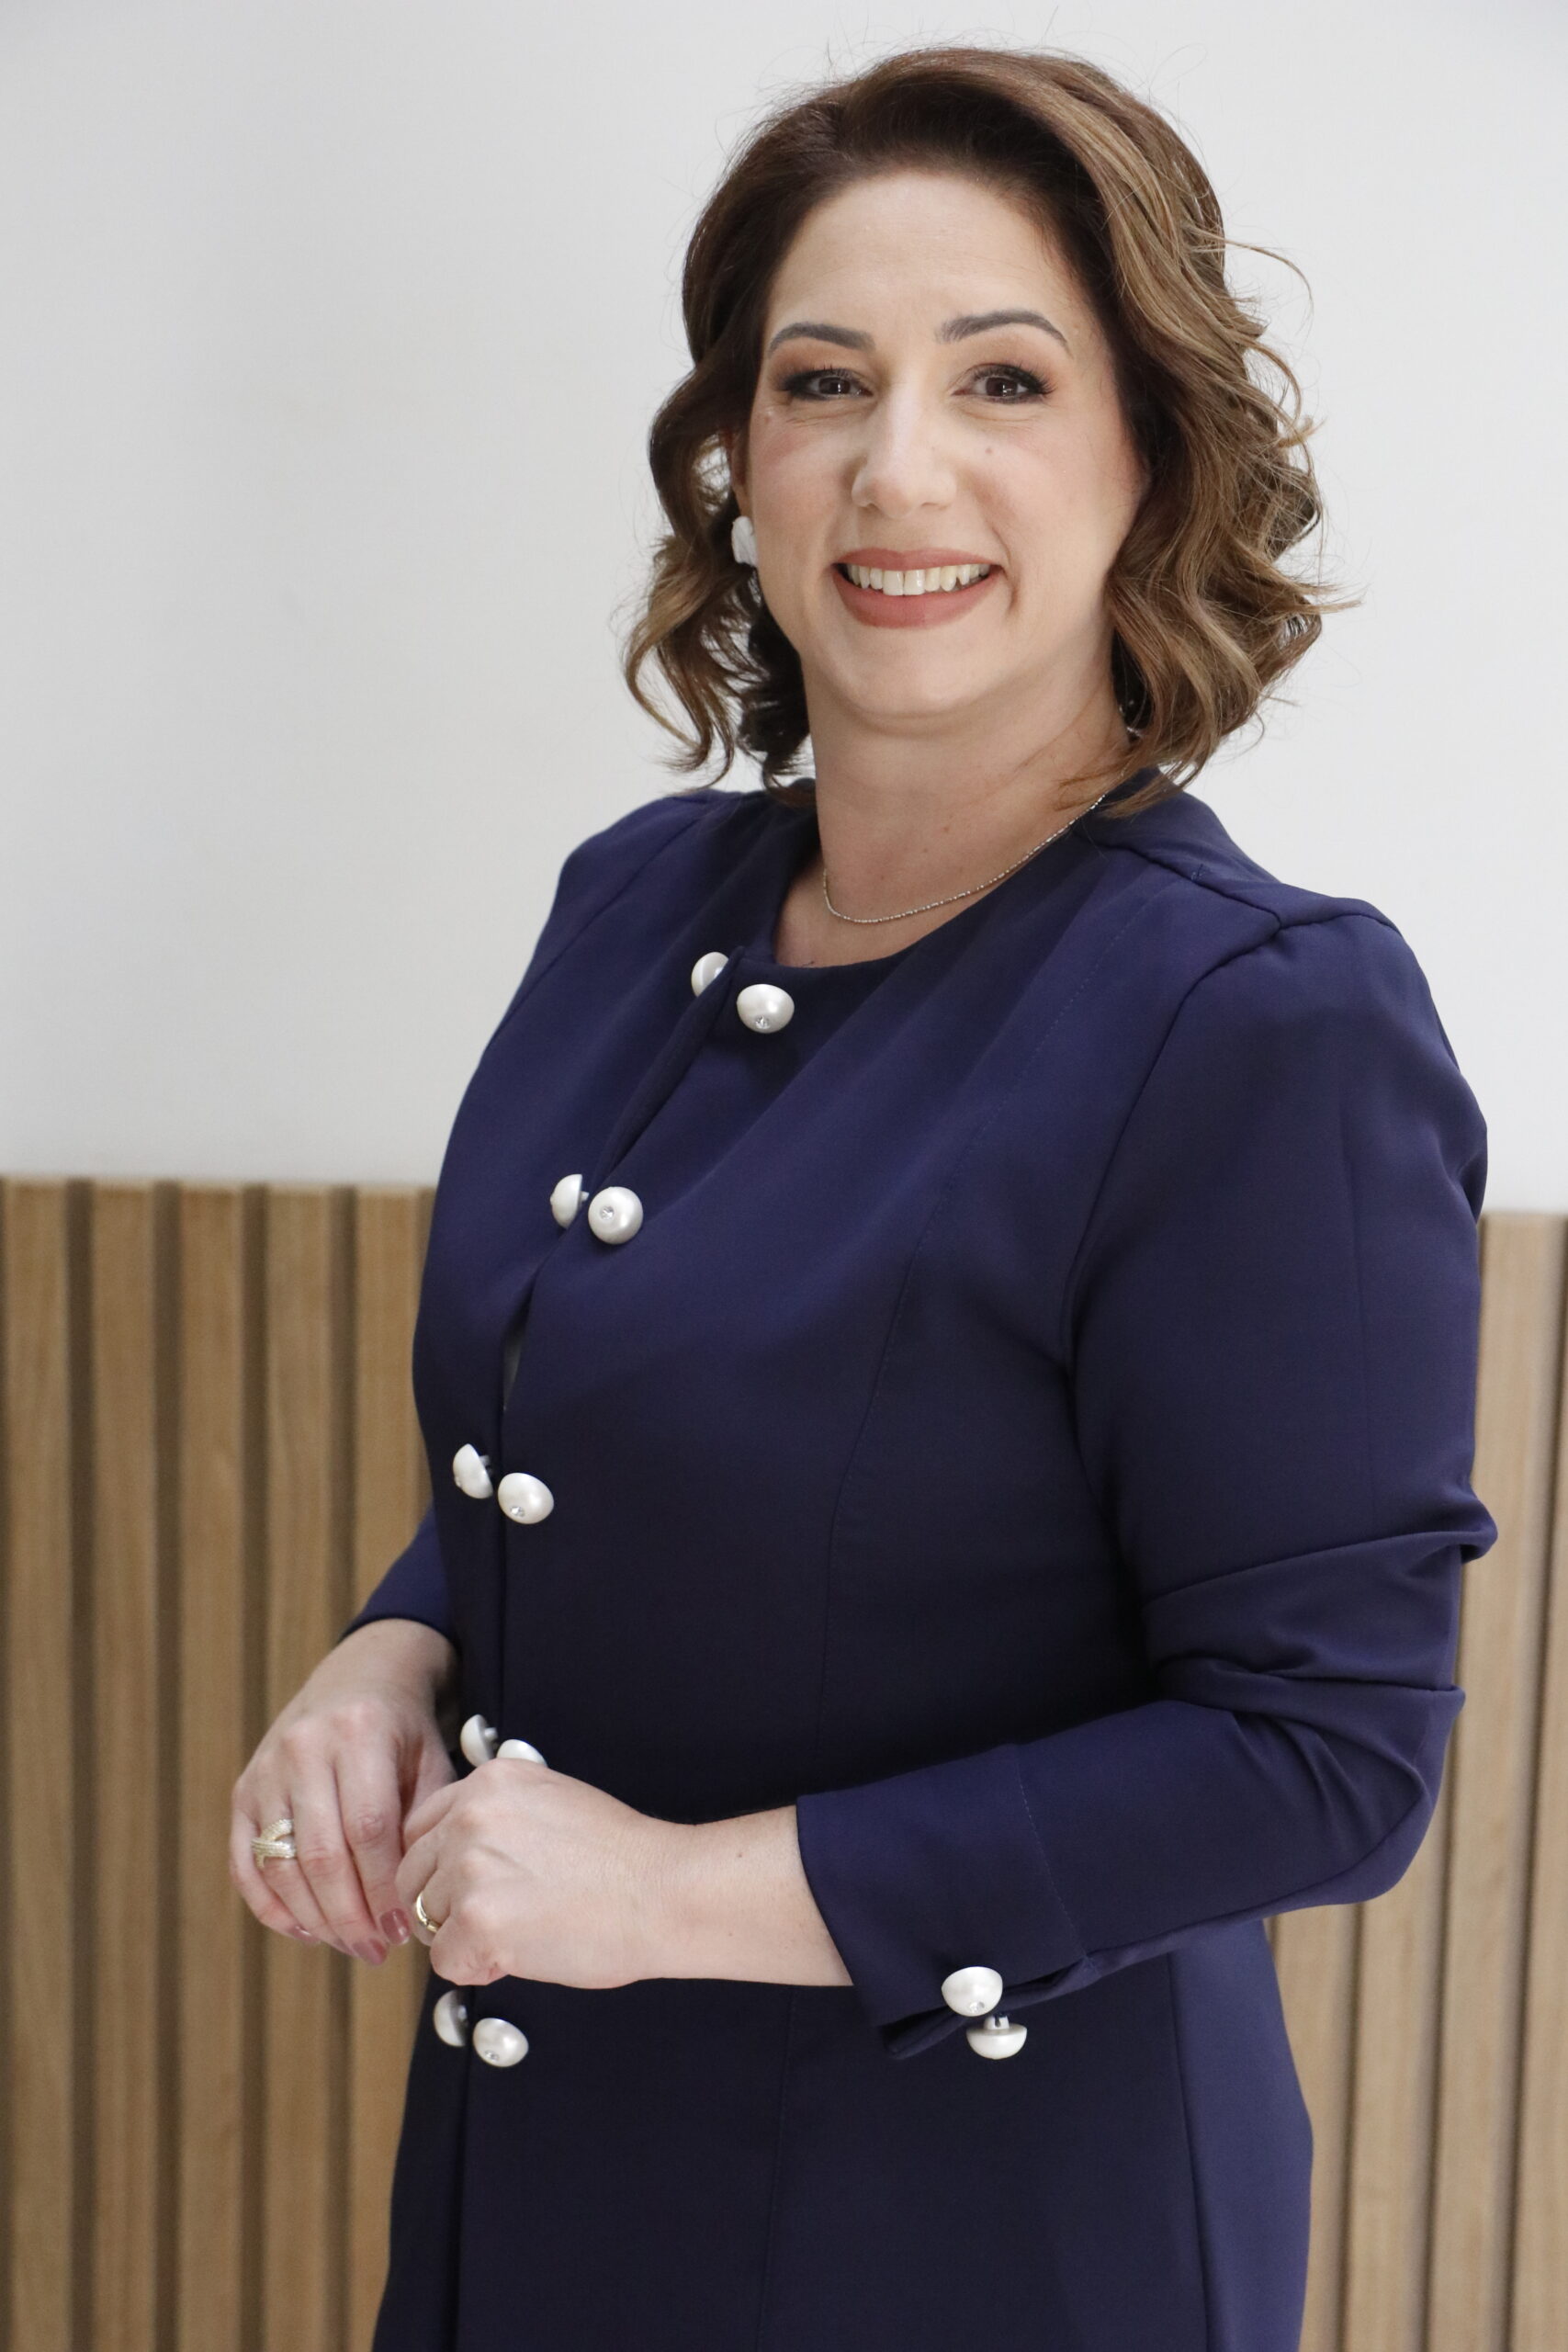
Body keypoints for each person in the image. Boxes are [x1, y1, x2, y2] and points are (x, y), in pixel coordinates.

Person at [229, 42, 1497, 2352]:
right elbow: (626, 1426)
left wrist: (668, 1893)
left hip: (981, 2238)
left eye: (1002, 378)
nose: (897, 466)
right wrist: (390, 1650)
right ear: (738, 457)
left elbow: (1321, 1757)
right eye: (822, 382)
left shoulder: (1258, 1020)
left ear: (1149, 451)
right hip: (543, 2185)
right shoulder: (633, 902)